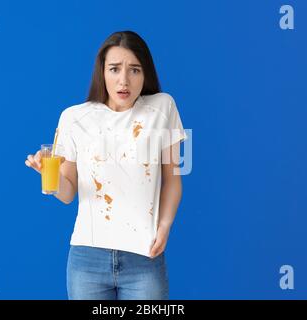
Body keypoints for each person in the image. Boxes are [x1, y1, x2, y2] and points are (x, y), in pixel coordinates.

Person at [25, 31, 187, 300]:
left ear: (145, 74)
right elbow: (67, 194)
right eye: (114, 69)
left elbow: (173, 179)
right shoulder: (74, 118)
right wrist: (47, 174)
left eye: (134, 70)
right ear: (102, 73)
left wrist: (165, 226)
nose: (124, 80)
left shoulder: (163, 108)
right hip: (87, 258)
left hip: (143, 257)